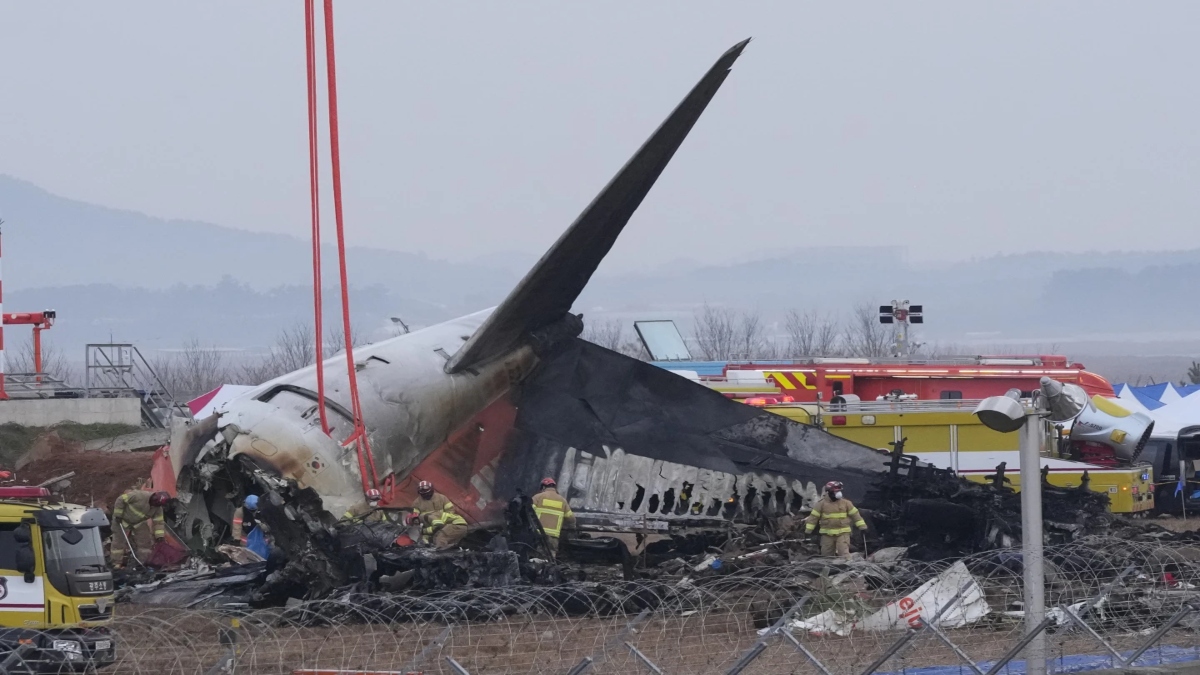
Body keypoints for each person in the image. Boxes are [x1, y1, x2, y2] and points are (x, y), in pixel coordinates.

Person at [804, 481, 868, 558]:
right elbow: (813, 517)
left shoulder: (846, 503)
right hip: (827, 534)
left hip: (843, 533)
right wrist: (808, 530)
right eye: (836, 491)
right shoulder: (821, 504)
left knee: (843, 552)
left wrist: (862, 527)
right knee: (826, 554)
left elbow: (856, 515)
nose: (839, 493)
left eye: (839, 491)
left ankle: (846, 568)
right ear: (829, 492)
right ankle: (828, 569)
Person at [110, 490, 169, 568]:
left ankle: (143, 563)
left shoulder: (157, 508)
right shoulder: (139, 495)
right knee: (118, 543)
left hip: (139, 523)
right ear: (154, 496)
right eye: (155, 502)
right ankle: (116, 563)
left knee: (145, 543)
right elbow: (121, 499)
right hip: (122, 520)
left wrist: (160, 536)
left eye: (157, 504)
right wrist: (118, 514)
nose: (154, 505)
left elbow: (158, 522)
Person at [532, 478, 575, 558]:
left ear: (543, 487)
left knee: (538, 556)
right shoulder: (562, 500)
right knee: (551, 557)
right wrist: (572, 530)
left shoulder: (537, 497)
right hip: (553, 537)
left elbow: (529, 513)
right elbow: (571, 518)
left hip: (539, 534)